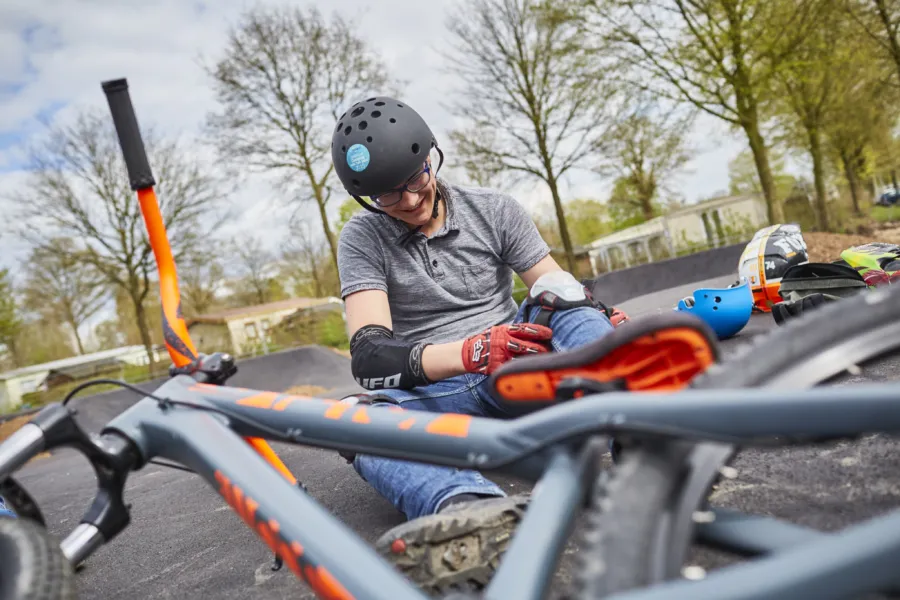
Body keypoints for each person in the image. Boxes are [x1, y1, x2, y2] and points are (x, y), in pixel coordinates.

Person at [331, 96, 625, 591]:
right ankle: (470, 510)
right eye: (387, 195)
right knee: (353, 418)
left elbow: (557, 288)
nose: (406, 200)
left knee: (561, 302)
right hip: (440, 392)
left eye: (415, 179)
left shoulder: (495, 210)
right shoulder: (362, 237)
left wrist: (600, 318)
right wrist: (471, 352)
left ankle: (639, 431)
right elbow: (370, 354)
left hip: (521, 372)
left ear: (431, 157)